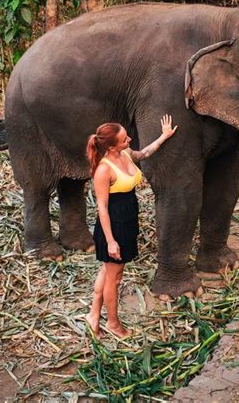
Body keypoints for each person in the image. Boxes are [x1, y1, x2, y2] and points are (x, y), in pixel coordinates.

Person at [85, 115, 177, 338]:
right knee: (114, 278)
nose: (129, 140)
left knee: (107, 271)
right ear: (111, 145)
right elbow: (102, 208)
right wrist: (110, 241)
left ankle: (93, 315)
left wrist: (163, 137)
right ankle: (113, 324)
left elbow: (144, 153)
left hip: (128, 219)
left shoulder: (125, 153)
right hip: (113, 225)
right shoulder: (103, 170)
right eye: (125, 139)